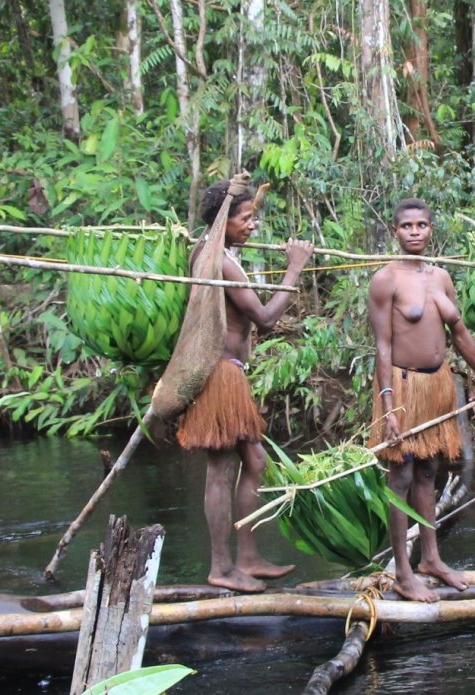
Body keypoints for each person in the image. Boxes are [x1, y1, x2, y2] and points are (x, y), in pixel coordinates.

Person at [176, 178, 312, 592]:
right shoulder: (217, 258)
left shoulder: (217, 252)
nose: (253, 225)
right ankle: (221, 567)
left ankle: (248, 557)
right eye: (246, 218)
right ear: (224, 221)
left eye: (255, 216)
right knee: (220, 471)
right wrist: (295, 266)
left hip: (229, 372)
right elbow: (266, 318)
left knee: (254, 463)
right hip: (218, 374)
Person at [366, 199, 475, 602]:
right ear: (395, 231)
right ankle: (403, 571)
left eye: (422, 225)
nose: (415, 232)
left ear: (430, 229)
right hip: (403, 390)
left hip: (438, 386)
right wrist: (389, 406)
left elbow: (459, 334)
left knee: (429, 473)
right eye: (406, 225)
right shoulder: (385, 280)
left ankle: (431, 558)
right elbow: (383, 346)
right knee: (401, 476)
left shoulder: (441, 277)